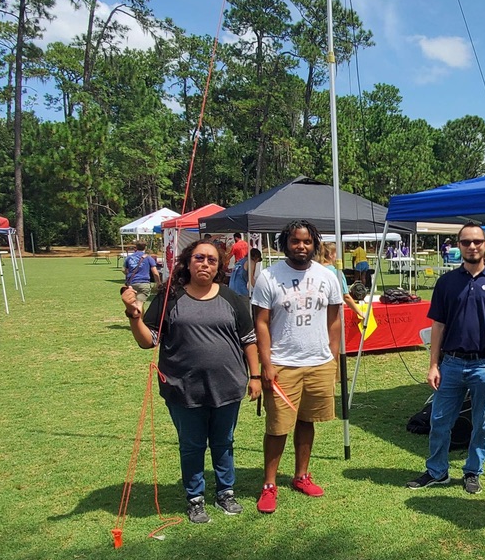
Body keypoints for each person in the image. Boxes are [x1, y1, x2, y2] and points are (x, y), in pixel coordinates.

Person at [122, 239, 261, 524]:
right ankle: (195, 498)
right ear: (188, 261)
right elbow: (149, 341)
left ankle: (226, 492)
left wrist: (255, 376)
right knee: (192, 444)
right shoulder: (170, 297)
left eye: (212, 260)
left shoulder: (231, 298)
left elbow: (249, 341)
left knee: (224, 442)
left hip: (228, 385)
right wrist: (133, 316)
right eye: (200, 258)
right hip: (182, 387)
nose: (205, 264)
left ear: (219, 266)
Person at [406, 223, 485, 495]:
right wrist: (433, 365)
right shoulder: (446, 282)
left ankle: (473, 471)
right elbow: (438, 327)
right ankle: (437, 471)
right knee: (440, 419)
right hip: (451, 363)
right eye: (466, 242)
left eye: (477, 241)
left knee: (482, 423)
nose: (472, 246)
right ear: (459, 246)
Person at [251, 220, 343, 514]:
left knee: (307, 421)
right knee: (278, 428)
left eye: (306, 242)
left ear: (315, 244)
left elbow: (334, 319)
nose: (301, 247)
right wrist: (266, 364)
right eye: (295, 241)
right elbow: (261, 323)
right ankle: (268, 485)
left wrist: (333, 355)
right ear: (285, 243)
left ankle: (301, 476)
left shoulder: (327, 277)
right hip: (282, 364)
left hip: (318, 363)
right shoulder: (269, 276)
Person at [319, 242, 365, 323]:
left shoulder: (314, 270)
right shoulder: (336, 272)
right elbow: (346, 296)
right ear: (331, 255)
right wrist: (360, 312)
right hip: (331, 315)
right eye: (336, 253)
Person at [123, 241, 159, 311]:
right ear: (145, 247)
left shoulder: (129, 257)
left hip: (132, 284)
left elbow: (123, 270)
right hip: (144, 283)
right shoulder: (148, 258)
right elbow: (155, 273)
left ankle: (139, 320)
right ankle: (137, 320)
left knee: (135, 304)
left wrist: (129, 275)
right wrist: (158, 282)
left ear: (136, 247)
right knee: (139, 304)